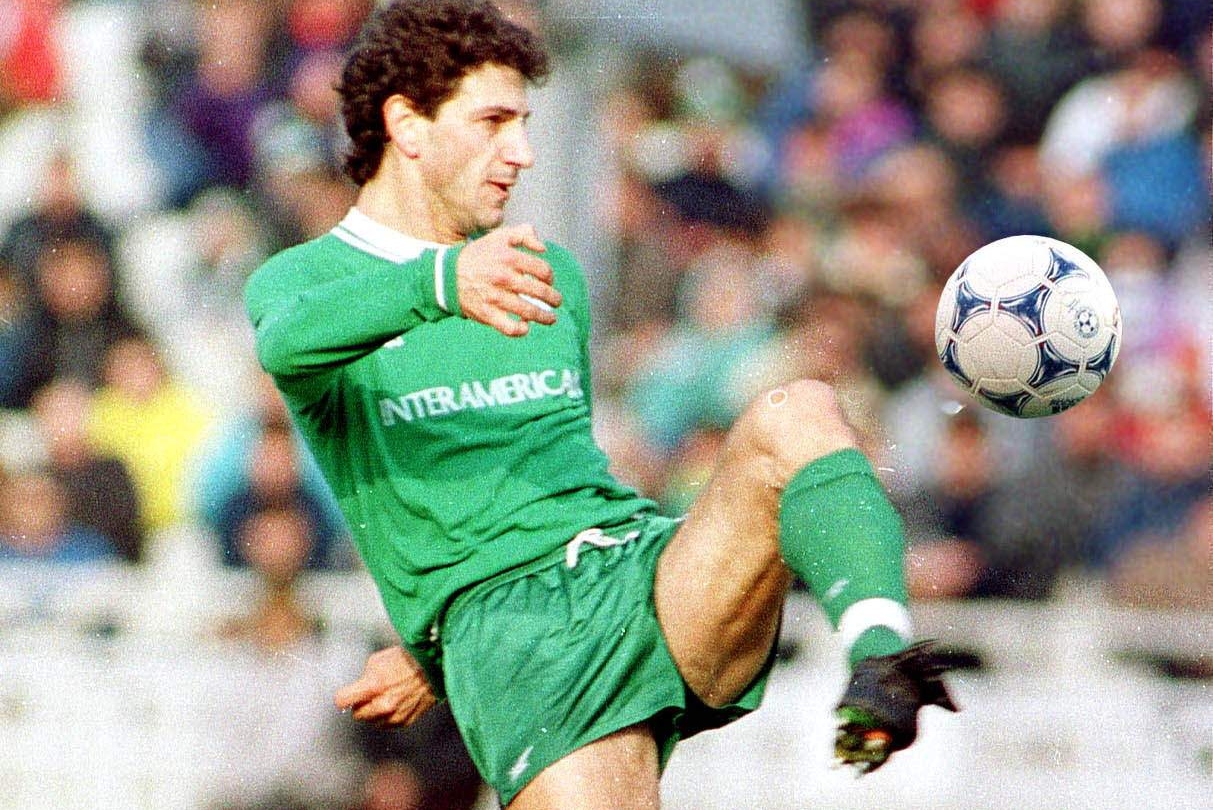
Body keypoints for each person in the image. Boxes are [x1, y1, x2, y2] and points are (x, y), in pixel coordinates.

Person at [244, 2, 958, 807]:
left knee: (798, 411)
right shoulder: (306, 282)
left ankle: (881, 658)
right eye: (493, 123)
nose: (521, 153)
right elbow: (286, 344)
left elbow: (549, 483)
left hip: (635, 567)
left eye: (523, 125)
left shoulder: (545, 271)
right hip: (516, 633)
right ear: (406, 124)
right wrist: (441, 282)